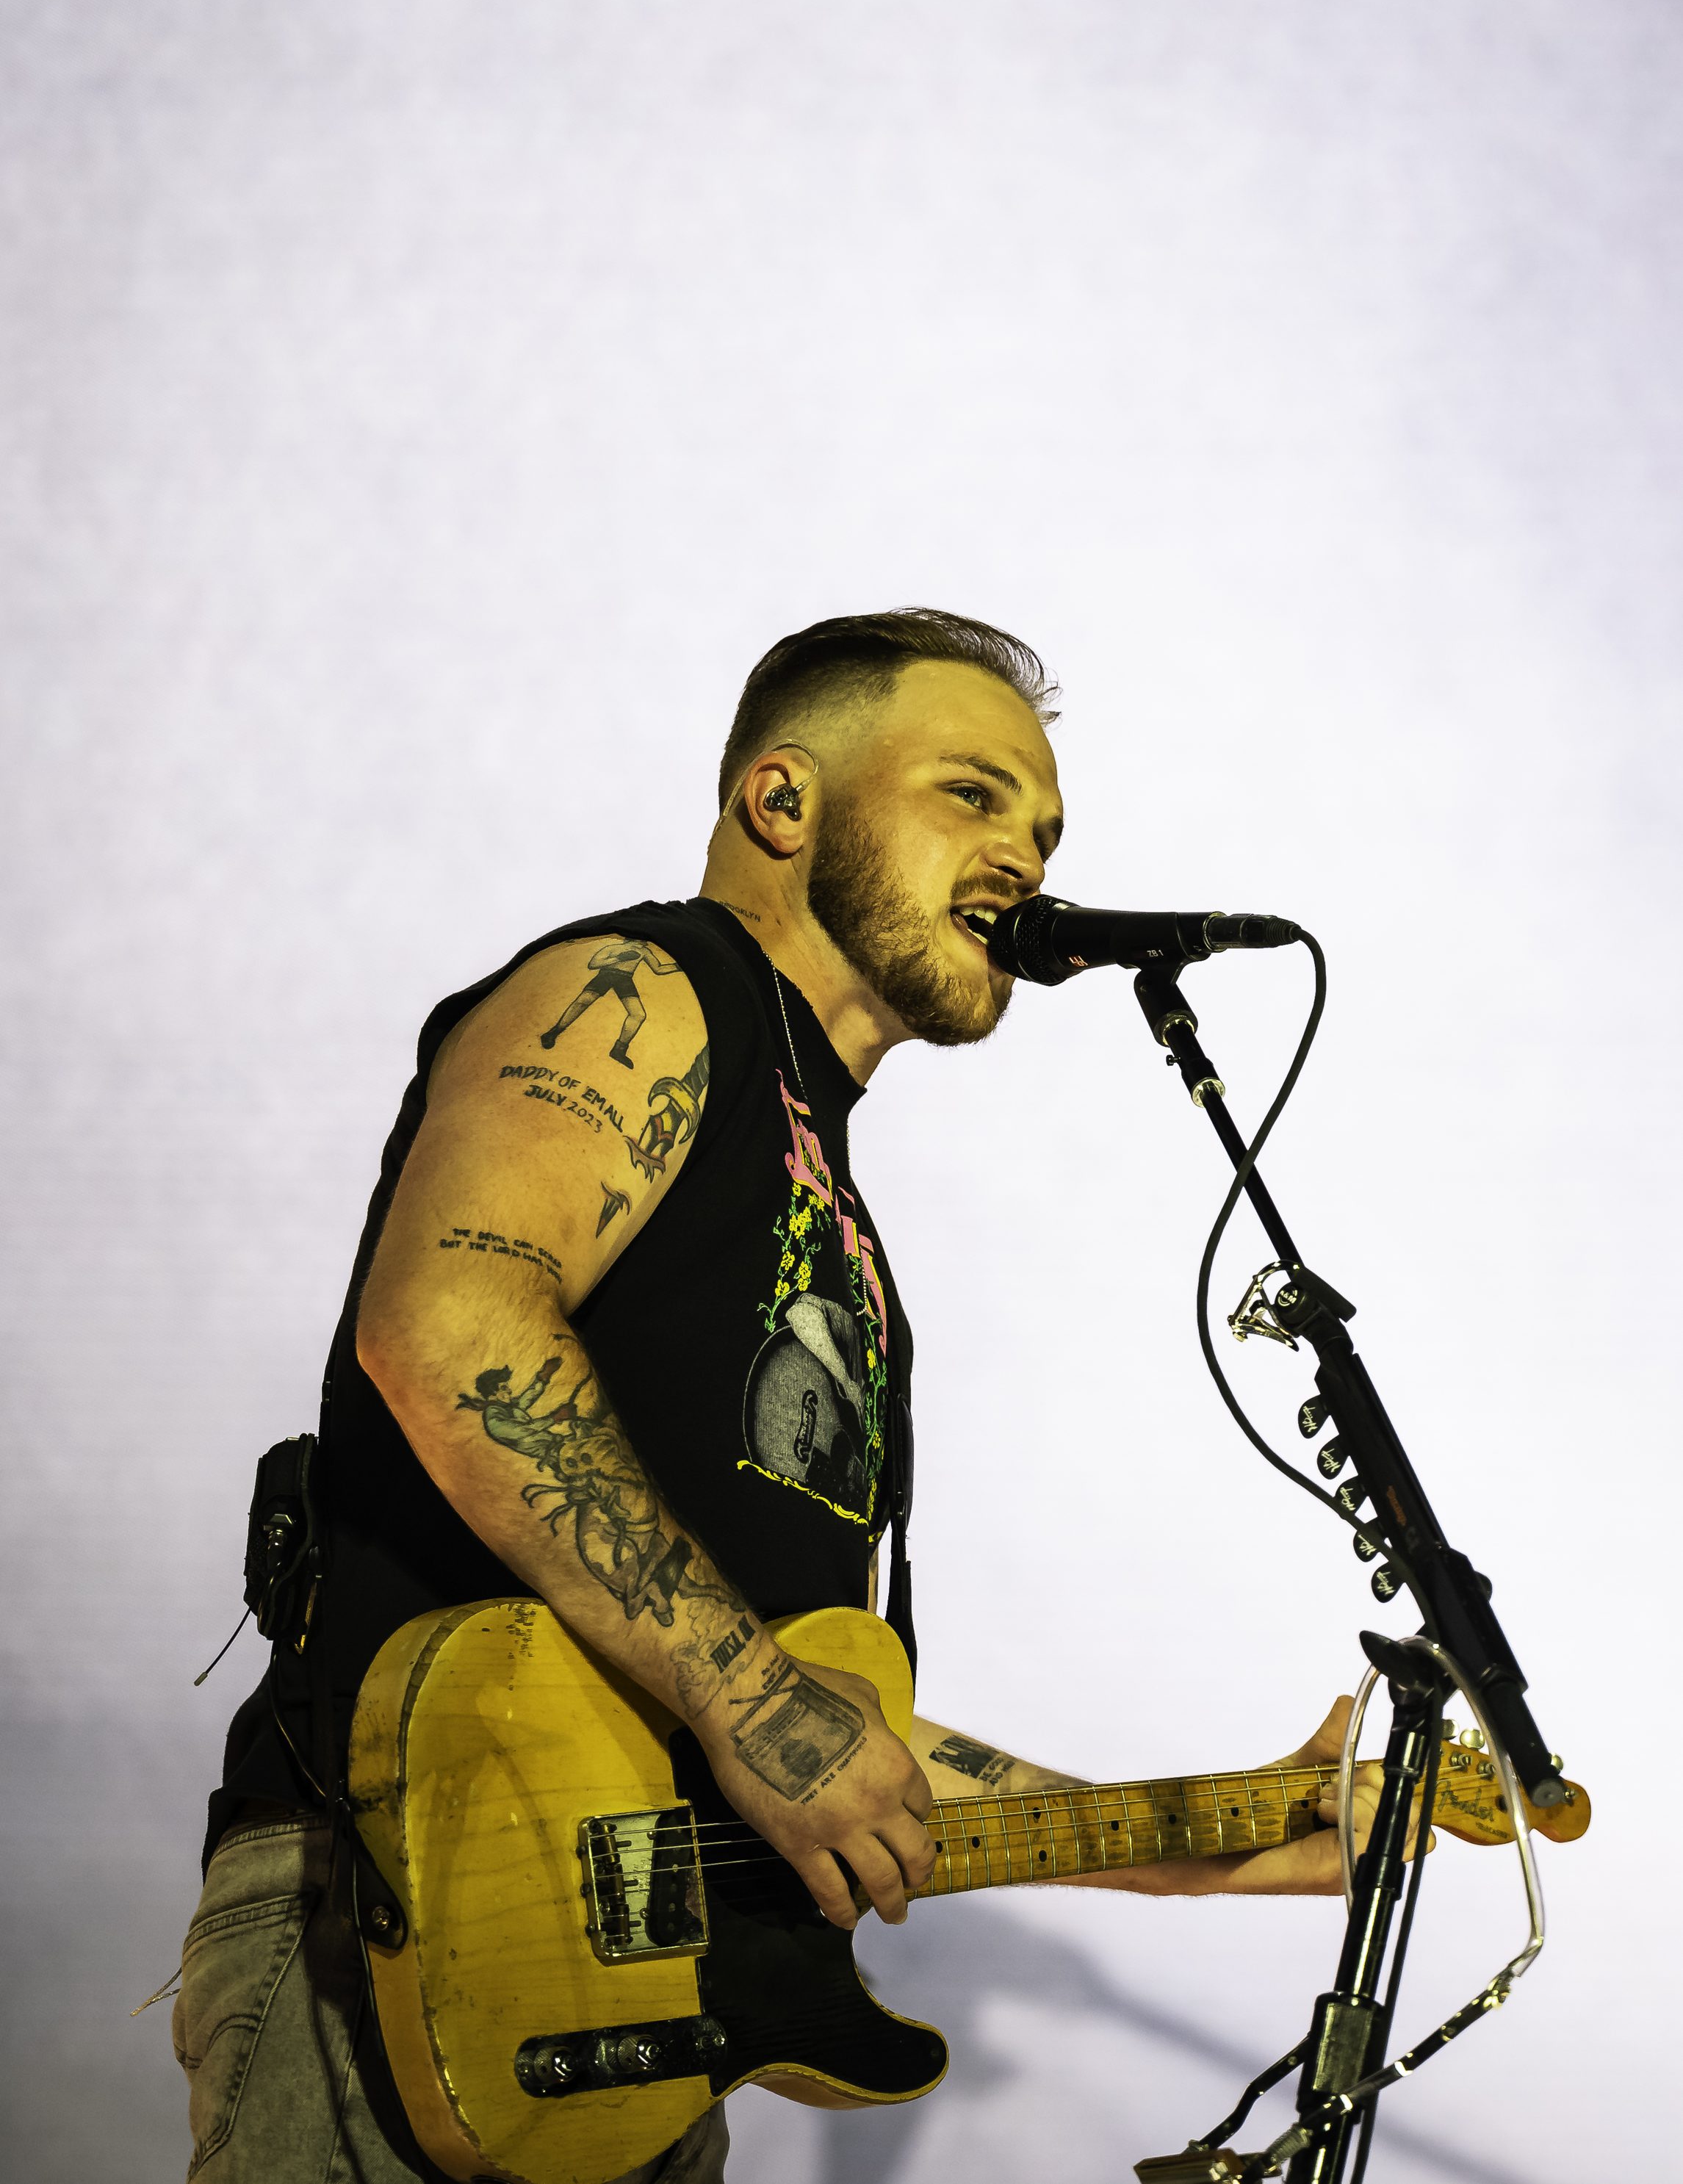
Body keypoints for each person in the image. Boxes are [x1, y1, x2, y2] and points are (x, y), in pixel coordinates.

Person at [174, 610, 1386, 2183]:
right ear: (783, 801)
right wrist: (752, 1697)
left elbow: (819, 1719)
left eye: (1047, 824)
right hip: (403, 1910)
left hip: (638, 2011)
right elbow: (449, 1315)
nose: (1026, 848)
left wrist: (1212, 1834)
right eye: (972, 792)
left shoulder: (837, 1212)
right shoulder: (647, 985)